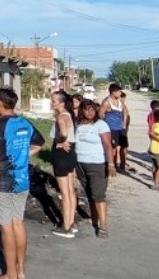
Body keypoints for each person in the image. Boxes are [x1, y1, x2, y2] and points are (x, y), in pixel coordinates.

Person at [0, 88, 44, 279]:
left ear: (0, 103)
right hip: (22, 180)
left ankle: (11, 277)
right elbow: (39, 142)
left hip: (3, 182)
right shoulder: (24, 123)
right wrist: (24, 153)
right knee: (18, 223)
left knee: (5, 228)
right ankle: (21, 270)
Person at [75, 98, 115, 238]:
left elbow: (108, 146)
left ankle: (103, 225)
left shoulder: (101, 125)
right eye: (86, 109)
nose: (89, 112)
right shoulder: (78, 125)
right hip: (80, 163)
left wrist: (111, 164)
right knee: (89, 194)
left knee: (98, 195)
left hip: (97, 164)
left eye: (92, 109)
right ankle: (94, 219)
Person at [50, 91, 77, 238]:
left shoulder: (61, 117)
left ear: (61, 102)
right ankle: (71, 222)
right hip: (71, 154)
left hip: (61, 155)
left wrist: (61, 141)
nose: (52, 102)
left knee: (64, 192)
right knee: (70, 189)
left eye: (54, 100)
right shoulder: (69, 115)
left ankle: (65, 227)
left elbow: (63, 133)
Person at [99, 83, 129, 172]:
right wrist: (105, 126)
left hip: (120, 128)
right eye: (119, 91)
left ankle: (123, 165)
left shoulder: (120, 101)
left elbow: (125, 112)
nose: (120, 93)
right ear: (113, 92)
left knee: (124, 147)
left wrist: (124, 124)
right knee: (113, 148)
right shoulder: (106, 102)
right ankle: (113, 165)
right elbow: (100, 114)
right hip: (111, 129)